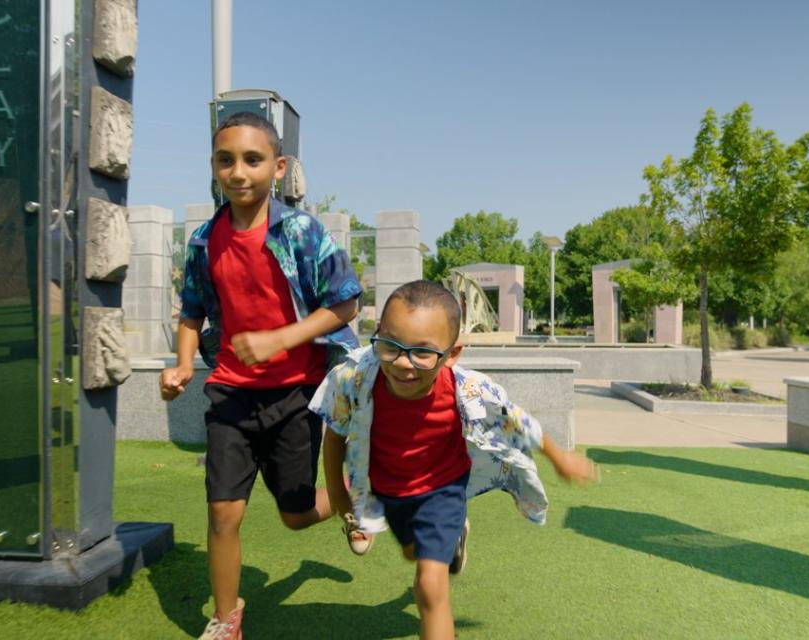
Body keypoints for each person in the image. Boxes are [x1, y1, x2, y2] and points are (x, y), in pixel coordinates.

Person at [159, 111, 362, 640]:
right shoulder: (205, 240)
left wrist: (279, 339)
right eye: (226, 160)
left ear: (279, 167)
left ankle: (351, 494)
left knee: (295, 515)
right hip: (229, 395)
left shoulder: (300, 231)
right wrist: (184, 363)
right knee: (223, 515)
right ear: (213, 167)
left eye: (253, 159)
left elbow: (345, 304)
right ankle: (226, 618)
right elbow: (191, 309)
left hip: (296, 395)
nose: (239, 171)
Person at [310, 280, 598, 640]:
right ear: (378, 334)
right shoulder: (356, 377)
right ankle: (456, 537)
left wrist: (559, 458)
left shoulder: (467, 391)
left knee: (430, 587)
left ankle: (449, 537)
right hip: (390, 489)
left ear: (453, 353)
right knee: (414, 553)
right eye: (391, 346)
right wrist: (337, 492)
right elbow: (335, 432)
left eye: (422, 352)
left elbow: (518, 420)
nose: (403, 363)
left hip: (443, 489)